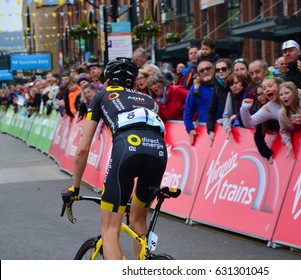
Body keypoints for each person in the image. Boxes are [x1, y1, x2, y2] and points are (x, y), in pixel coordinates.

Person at [61, 58, 167, 260]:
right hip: (159, 154)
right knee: (138, 219)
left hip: (127, 151)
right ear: (134, 82)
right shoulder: (149, 100)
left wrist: (74, 188)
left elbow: (83, 148)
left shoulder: (101, 95)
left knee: (110, 228)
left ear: (108, 81)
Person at [183, 60, 215, 145]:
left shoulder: (222, 85)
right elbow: (188, 110)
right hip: (205, 132)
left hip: (224, 131)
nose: (205, 72)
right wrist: (190, 129)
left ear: (213, 69)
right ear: (198, 74)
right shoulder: (194, 89)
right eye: (202, 71)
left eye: (208, 69)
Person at [278, 81, 301, 158]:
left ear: (294, 93)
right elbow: (284, 131)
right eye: (281, 95)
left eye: (287, 93)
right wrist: (288, 144)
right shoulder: (281, 113)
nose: (283, 96)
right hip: (298, 146)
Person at [207, 58, 232, 146]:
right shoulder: (217, 87)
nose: (220, 71)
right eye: (218, 70)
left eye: (223, 69)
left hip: (238, 124)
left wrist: (228, 119)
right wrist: (210, 130)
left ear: (229, 70)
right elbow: (211, 110)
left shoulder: (236, 83)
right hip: (226, 126)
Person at [222, 72, 253, 139]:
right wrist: (227, 127)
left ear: (242, 82)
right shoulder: (232, 94)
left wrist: (237, 116)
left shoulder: (251, 92)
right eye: (231, 85)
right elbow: (226, 116)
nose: (234, 86)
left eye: (236, 83)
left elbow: (253, 114)